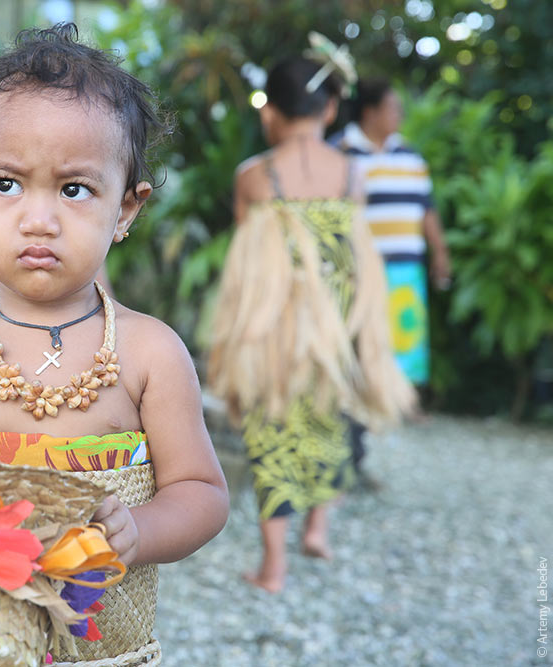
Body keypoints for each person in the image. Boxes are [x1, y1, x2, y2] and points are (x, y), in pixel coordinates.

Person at [0, 24, 228, 662]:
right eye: (7, 185)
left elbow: (203, 493)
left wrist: (141, 529)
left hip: (105, 650)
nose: (38, 219)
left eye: (74, 189)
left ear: (126, 209)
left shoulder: (150, 353)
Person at [209, 51, 414, 593]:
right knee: (334, 417)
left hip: (272, 328)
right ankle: (319, 527)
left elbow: (244, 264)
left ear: (269, 113)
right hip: (341, 322)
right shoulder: (351, 175)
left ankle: (273, 566)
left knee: (271, 428)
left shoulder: (255, 177)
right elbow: (356, 256)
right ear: (330, 110)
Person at [333, 78, 450, 386]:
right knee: (360, 333)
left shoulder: (410, 156)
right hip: (359, 266)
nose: (399, 115)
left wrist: (440, 252)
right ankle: (361, 400)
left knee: (405, 332)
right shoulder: (340, 152)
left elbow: (427, 209)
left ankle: (404, 400)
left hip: (406, 264)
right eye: (393, 108)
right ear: (370, 112)